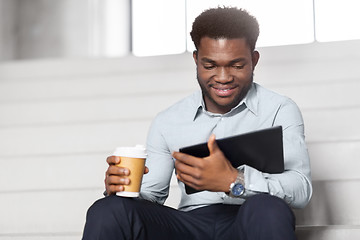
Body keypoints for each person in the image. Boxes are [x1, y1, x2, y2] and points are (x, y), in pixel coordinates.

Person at [82, 7, 312, 240]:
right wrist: (121, 189)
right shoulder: (168, 120)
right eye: (210, 65)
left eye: (236, 65)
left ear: (254, 60)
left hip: (250, 220)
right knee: (107, 209)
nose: (223, 77)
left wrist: (234, 181)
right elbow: (151, 195)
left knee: (268, 209)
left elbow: (301, 189)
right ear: (196, 60)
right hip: (189, 227)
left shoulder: (279, 109)